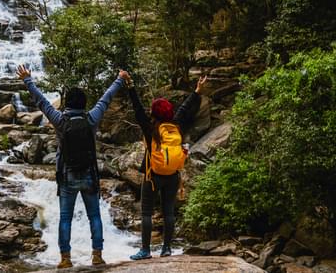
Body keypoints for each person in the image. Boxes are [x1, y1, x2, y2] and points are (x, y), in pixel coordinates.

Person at [17, 64, 127, 269]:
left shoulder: (60, 120)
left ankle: (65, 258)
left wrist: (28, 80)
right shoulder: (91, 118)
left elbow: (42, 102)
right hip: (89, 174)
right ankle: (97, 256)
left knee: (65, 218)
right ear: (84, 104)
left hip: (67, 176)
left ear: (67, 104)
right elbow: (106, 98)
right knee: (94, 215)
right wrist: (120, 79)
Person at [121, 71, 207, 260]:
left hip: (153, 176)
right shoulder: (177, 125)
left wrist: (129, 84)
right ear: (169, 113)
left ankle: (145, 251)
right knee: (168, 211)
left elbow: (137, 109)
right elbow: (185, 108)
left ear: (154, 113)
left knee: (146, 213)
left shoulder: (150, 128)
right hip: (173, 175)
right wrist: (197, 91)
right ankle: (166, 249)